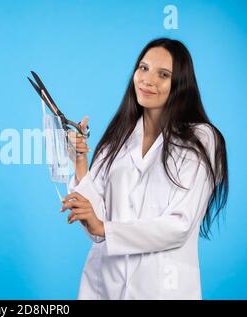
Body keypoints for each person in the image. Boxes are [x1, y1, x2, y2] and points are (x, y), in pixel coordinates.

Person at [61, 38, 228, 300]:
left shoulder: (202, 139)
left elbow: (180, 225)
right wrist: (80, 162)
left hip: (163, 290)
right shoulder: (117, 139)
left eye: (163, 74)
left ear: (180, 86)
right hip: (103, 287)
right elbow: (95, 226)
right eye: (143, 68)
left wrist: (105, 229)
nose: (148, 80)